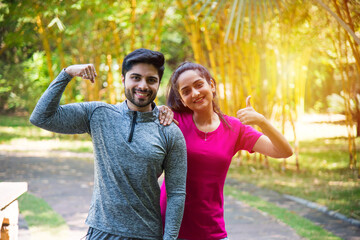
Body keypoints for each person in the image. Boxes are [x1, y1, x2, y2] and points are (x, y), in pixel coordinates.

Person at [30, 48, 187, 240]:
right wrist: (67, 73)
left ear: (158, 83)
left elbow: (176, 194)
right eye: (135, 77)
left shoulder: (169, 131)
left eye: (151, 80)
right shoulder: (98, 114)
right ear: (123, 79)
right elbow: (41, 117)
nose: (143, 85)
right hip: (101, 232)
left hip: (145, 234)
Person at [159, 62, 293, 240]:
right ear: (182, 99)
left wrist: (262, 121)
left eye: (199, 85)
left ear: (212, 85)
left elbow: (283, 151)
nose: (195, 93)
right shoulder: (174, 122)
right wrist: (157, 112)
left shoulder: (233, 128)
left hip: (211, 228)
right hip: (170, 228)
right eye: (186, 91)